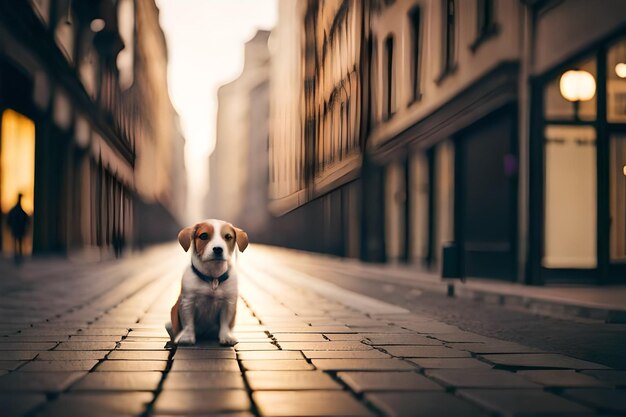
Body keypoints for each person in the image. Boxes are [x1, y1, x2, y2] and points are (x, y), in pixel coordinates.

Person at [7, 193, 30, 264]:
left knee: (18, 242)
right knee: (18, 243)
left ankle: (18, 255)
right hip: (18, 229)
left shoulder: (16, 210)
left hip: (18, 229)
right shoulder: (18, 210)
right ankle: (17, 255)